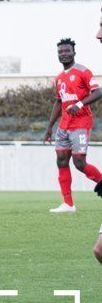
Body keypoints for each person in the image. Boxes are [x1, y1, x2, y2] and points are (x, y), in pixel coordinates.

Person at [43, 38, 102, 213]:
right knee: (61, 161)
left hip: (81, 124)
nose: (64, 54)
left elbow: (98, 92)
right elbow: (58, 102)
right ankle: (68, 204)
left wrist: (80, 104)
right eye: (61, 52)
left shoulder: (83, 71)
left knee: (79, 163)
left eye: (67, 51)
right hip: (64, 126)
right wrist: (49, 127)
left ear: (74, 52)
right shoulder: (59, 78)